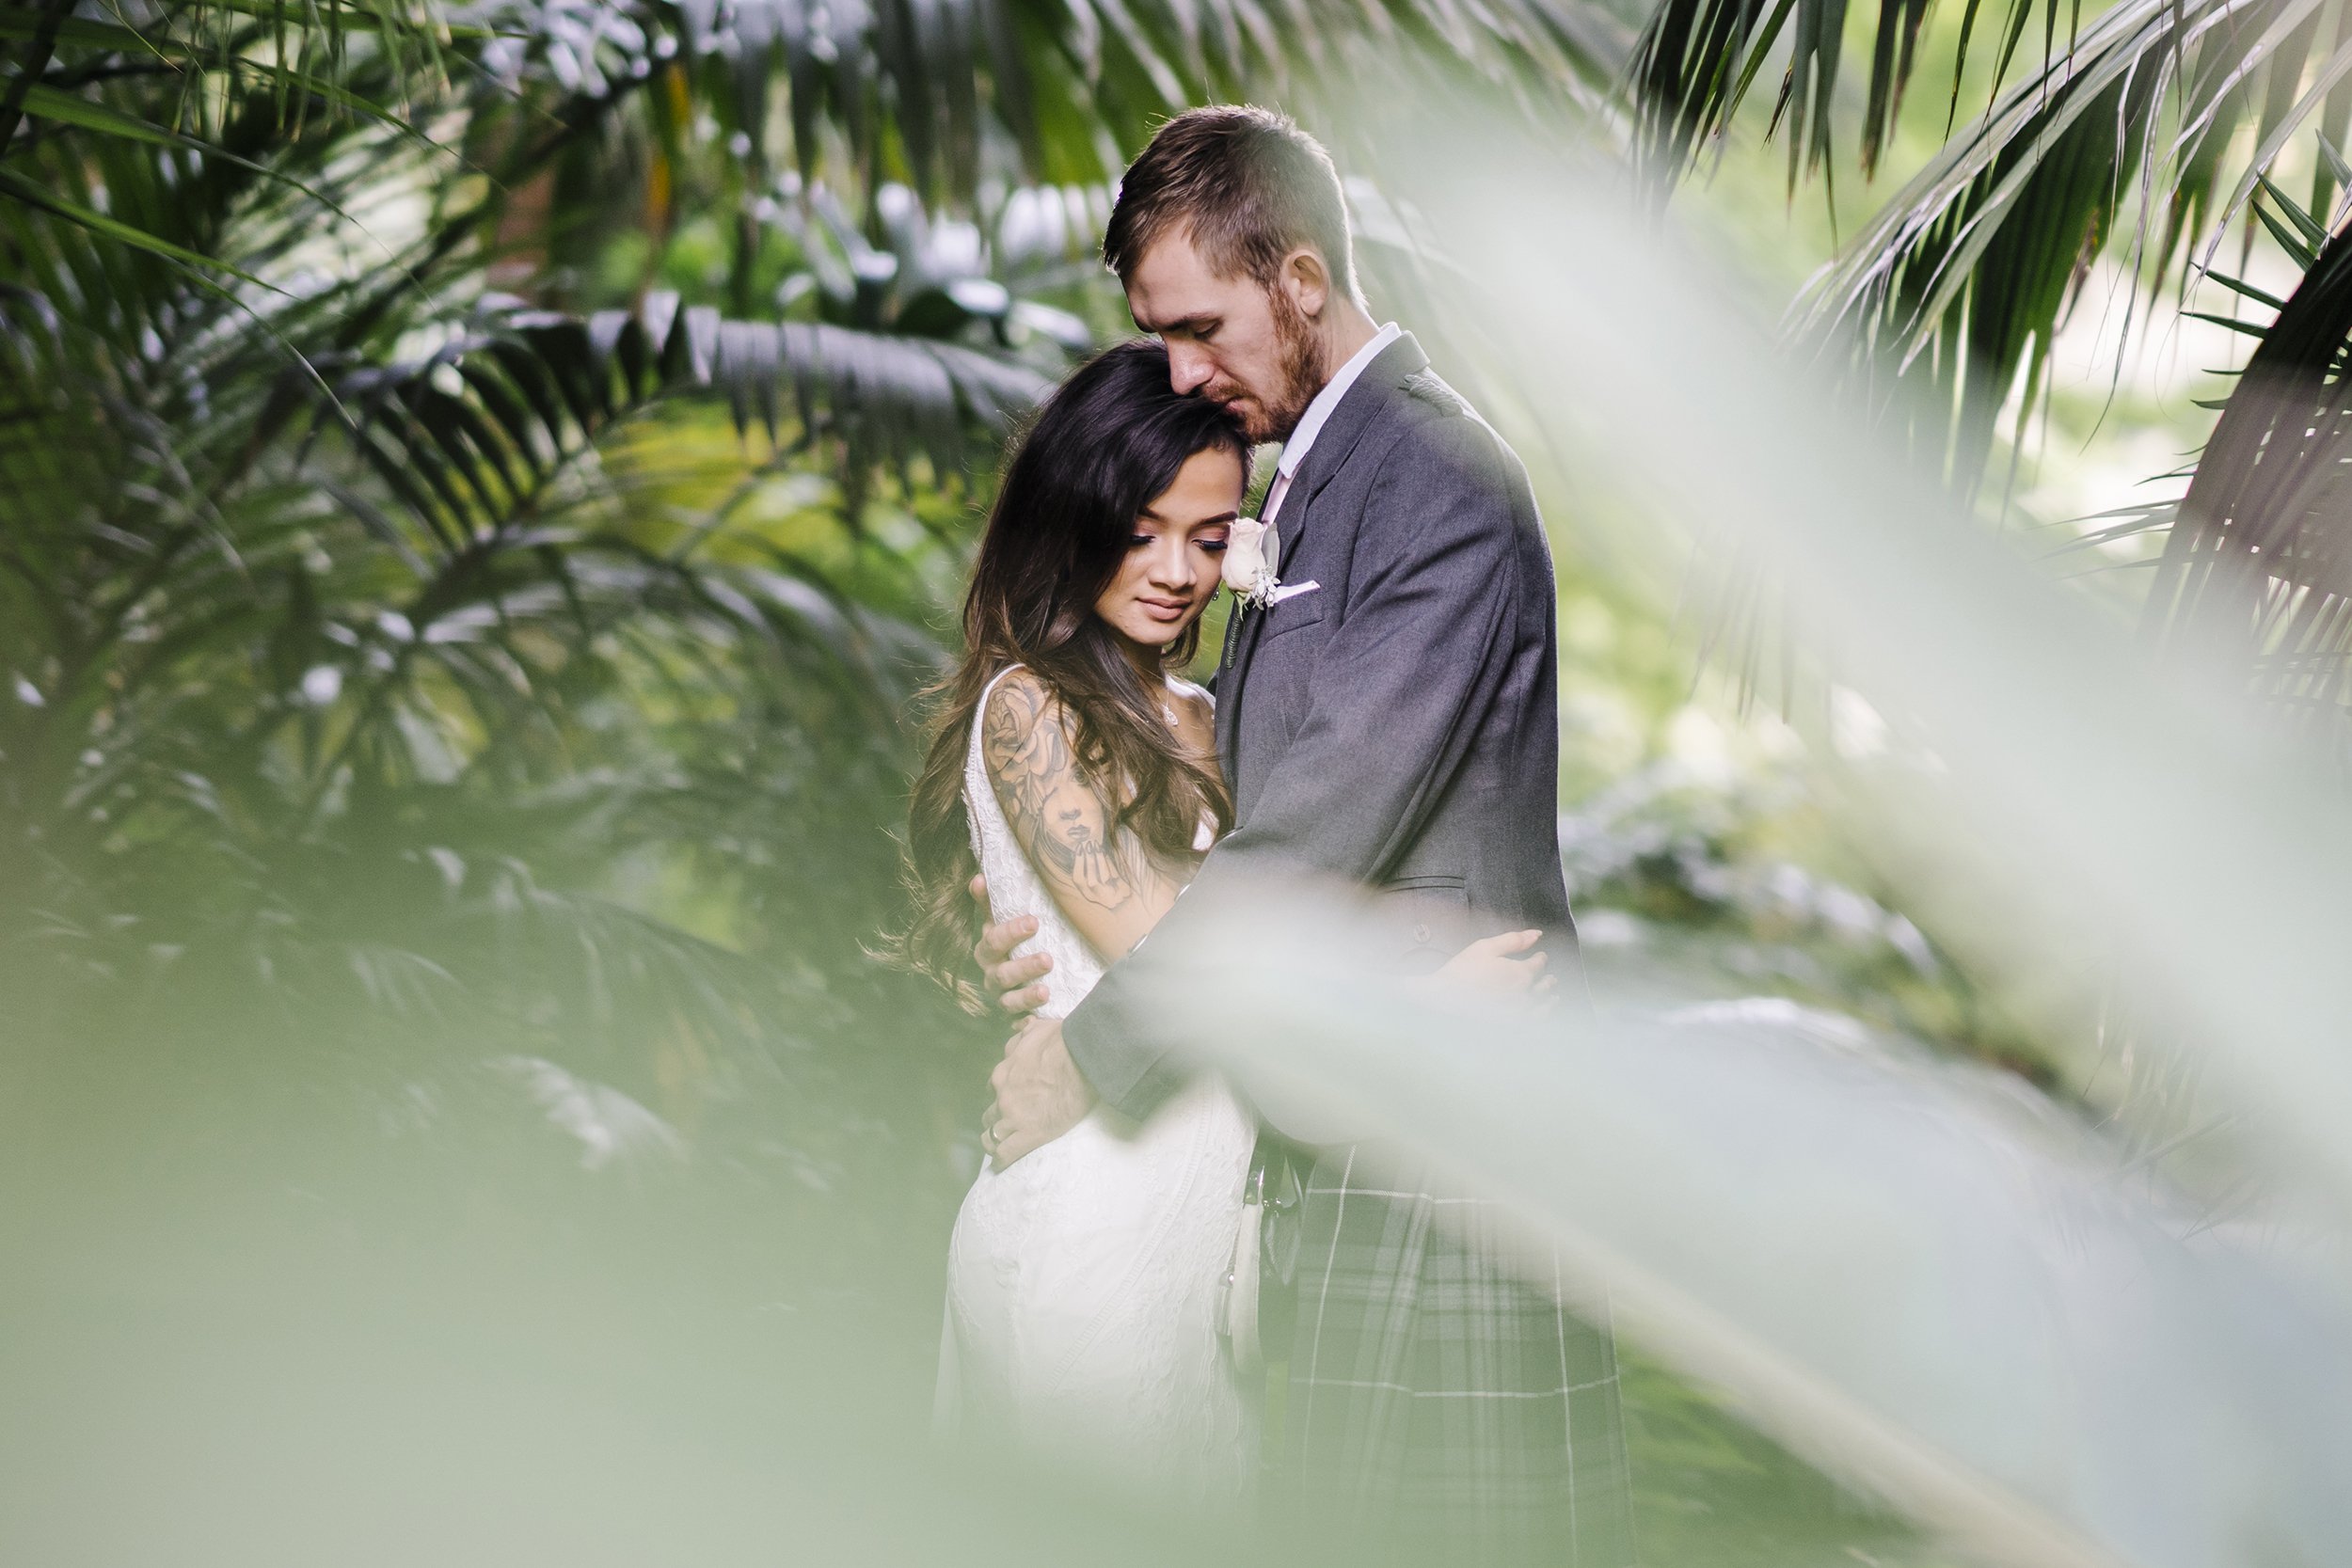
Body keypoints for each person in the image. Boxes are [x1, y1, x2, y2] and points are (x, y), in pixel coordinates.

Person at [969, 106, 1638, 1562]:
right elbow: (1231, 811)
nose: (1181, 372)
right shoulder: (1322, 483)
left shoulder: (1436, 486)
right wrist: (1048, 912)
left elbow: (1312, 838)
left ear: (1302, 280)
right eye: (1155, 337)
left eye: (1202, 325)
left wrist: (1092, 1049)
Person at [889, 339, 1547, 1506]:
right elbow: (1179, 946)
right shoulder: (1029, 707)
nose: (1176, 571)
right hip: (1089, 1217)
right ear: (1075, 517)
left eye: (1209, 536)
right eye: (1141, 530)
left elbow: (1287, 886)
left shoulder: (1201, 710)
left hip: (1206, 1241)